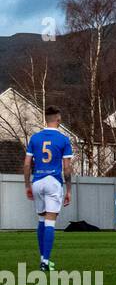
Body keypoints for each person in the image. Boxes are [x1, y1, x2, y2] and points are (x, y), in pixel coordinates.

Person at [23, 105, 74, 272]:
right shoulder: (64, 139)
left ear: (46, 119)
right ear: (58, 120)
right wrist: (68, 190)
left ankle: (43, 259)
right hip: (53, 181)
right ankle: (45, 261)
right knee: (50, 222)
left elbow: (27, 164)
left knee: (41, 220)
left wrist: (27, 185)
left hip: (37, 181)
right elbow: (66, 168)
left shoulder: (35, 138)